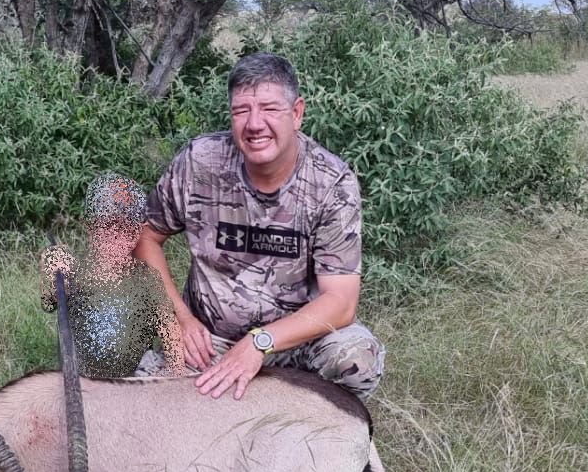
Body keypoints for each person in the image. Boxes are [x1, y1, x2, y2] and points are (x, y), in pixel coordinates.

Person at [134, 52, 384, 401]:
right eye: (241, 111)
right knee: (144, 396)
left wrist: (260, 343)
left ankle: (305, 432)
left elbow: (340, 302)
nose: (254, 124)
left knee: (357, 362)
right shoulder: (199, 161)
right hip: (211, 339)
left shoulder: (331, 182)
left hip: (297, 344)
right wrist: (179, 319)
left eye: (269, 109)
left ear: (296, 113)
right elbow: (145, 237)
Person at [40, 172, 183, 378]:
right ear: (89, 226)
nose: (117, 237)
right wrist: (51, 269)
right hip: (81, 383)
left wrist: (175, 376)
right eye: (108, 227)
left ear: (138, 231)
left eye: (127, 229)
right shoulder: (73, 271)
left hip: (132, 383)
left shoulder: (146, 278)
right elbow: (49, 301)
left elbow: (169, 329)